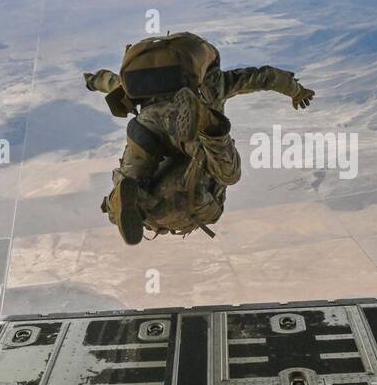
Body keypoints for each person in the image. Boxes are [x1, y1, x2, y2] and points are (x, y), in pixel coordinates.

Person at [84, 32, 314, 243]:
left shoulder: (140, 86)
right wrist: (296, 91)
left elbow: (110, 81)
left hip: (146, 126)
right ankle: (210, 126)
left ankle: (125, 191)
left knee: (133, 181)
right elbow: (265, 77)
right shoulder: (218, 82)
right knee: (228, 174)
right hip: (190, 131)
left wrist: (92, 80)